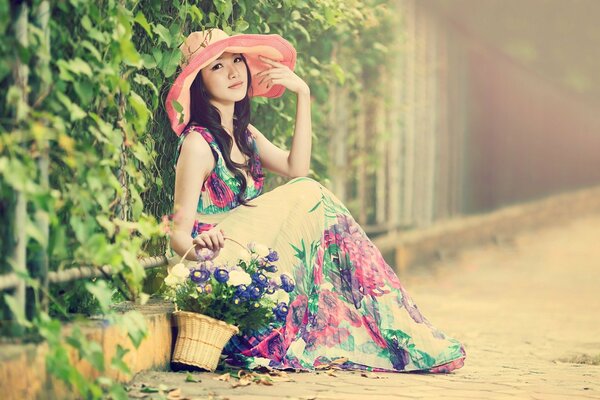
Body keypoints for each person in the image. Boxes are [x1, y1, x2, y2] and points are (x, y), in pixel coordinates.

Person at [165, 29, 466, 373]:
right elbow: (177, 234)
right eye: (217, 67)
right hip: (216, 270)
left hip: (248, 274)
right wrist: (198, 243)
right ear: (200, 84)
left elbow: (297, 166)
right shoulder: (198, 145)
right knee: (309, 193)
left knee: (310, 192)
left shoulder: (246, 136)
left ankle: (397, 325)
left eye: (237, 60)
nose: (234, 72)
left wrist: (303, 94)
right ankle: (397, 323)